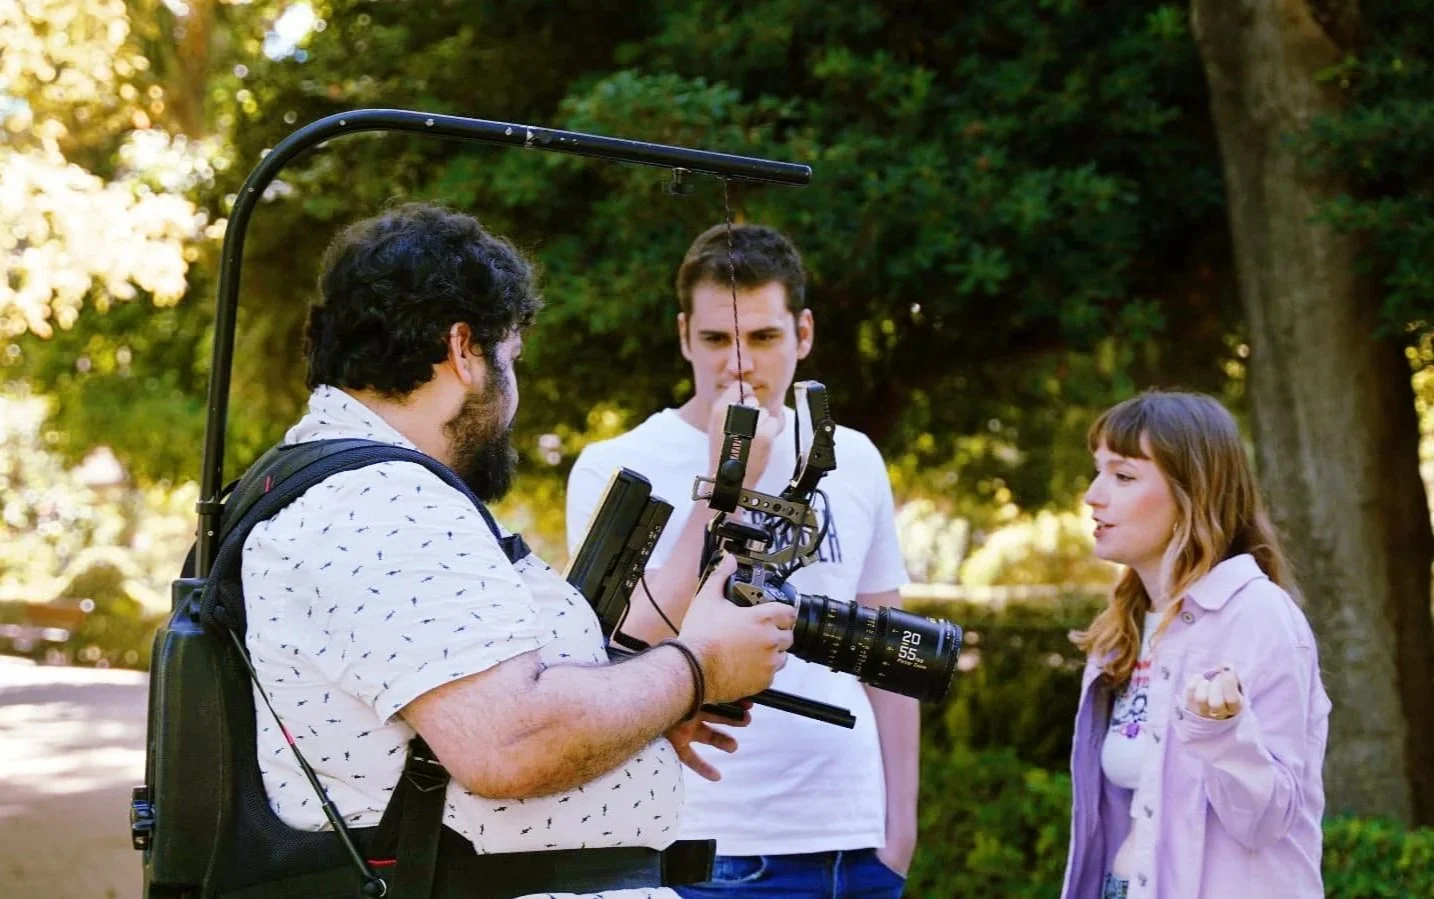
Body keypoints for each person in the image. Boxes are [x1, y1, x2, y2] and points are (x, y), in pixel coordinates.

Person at [242, 202, 799, 899]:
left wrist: (641, 709)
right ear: (463, 351)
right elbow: (507, 739)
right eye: (512, 358)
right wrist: (697, 668)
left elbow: (497, 706)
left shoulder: (357, 489)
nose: (516, 391)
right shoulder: (385, 503)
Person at [565, 223, 918, 898]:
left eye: (763, 337)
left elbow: (886, 650)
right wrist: (726, 482)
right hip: (708, 840)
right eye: (716, 340)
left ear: (803, 333)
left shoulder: (858, 457)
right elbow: (618, 651)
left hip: (851, 838)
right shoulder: (617, 465)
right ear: (683, 336)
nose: (739, 363)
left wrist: (899, 829)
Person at [1062, 390, 1331, 899]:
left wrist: (1222, 733)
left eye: (1122, 476)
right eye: (1097, 471)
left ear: (1192, 493)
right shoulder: (1120, 630)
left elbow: (1267, 821)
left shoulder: (1259, 616)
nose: (1094, 495)